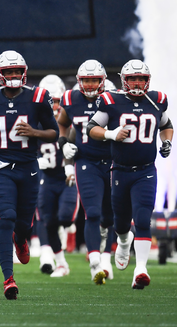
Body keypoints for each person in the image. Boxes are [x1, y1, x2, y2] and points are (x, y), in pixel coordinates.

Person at [0, 50, 59, 300]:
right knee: (6, 218)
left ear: (24, 72)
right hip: (0, 168)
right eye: (8, 72)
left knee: (23, 224)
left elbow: (54, 132)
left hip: (29, 167)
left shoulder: (38, 97)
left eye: (16, 71)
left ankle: (21, 239)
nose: (13, 75)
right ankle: (8, 279)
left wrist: (35, 132)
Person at [87, 59, 174, 289]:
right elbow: (91, 128)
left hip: (146, 170)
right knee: (122, 222)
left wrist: (167, 142)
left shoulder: (156, 100)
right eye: (132, 78)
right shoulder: (112, 100)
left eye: (141, 79)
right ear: (124, 80)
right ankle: (124, 242)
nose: (137, 83)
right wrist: (111, 133)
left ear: (148, 80)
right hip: (120, 171)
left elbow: (166, 125)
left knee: (143, 218)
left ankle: (141, 270)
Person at [57, 60, 117, 284]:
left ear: (103, 81)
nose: (91, 85)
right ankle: (94, 262)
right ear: (79, 81)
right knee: (92, 212)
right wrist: (64, 144)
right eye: (86, 80)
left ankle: (106, 258)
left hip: (112, 161)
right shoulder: (72, 99)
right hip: (86, 162)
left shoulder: (113, 97)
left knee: (109, 215)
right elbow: (63, 123)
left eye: (94, 80)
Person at [35, 75, 79, 278]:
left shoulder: (69, 120)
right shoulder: (35, 119)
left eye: (57, 100)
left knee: (65, 217)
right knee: (48, 221)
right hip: (46, 179)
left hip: (68, 178)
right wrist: (35, 160)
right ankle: (61, 263)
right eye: (49, 100)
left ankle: (70, 229)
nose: (53, 105)